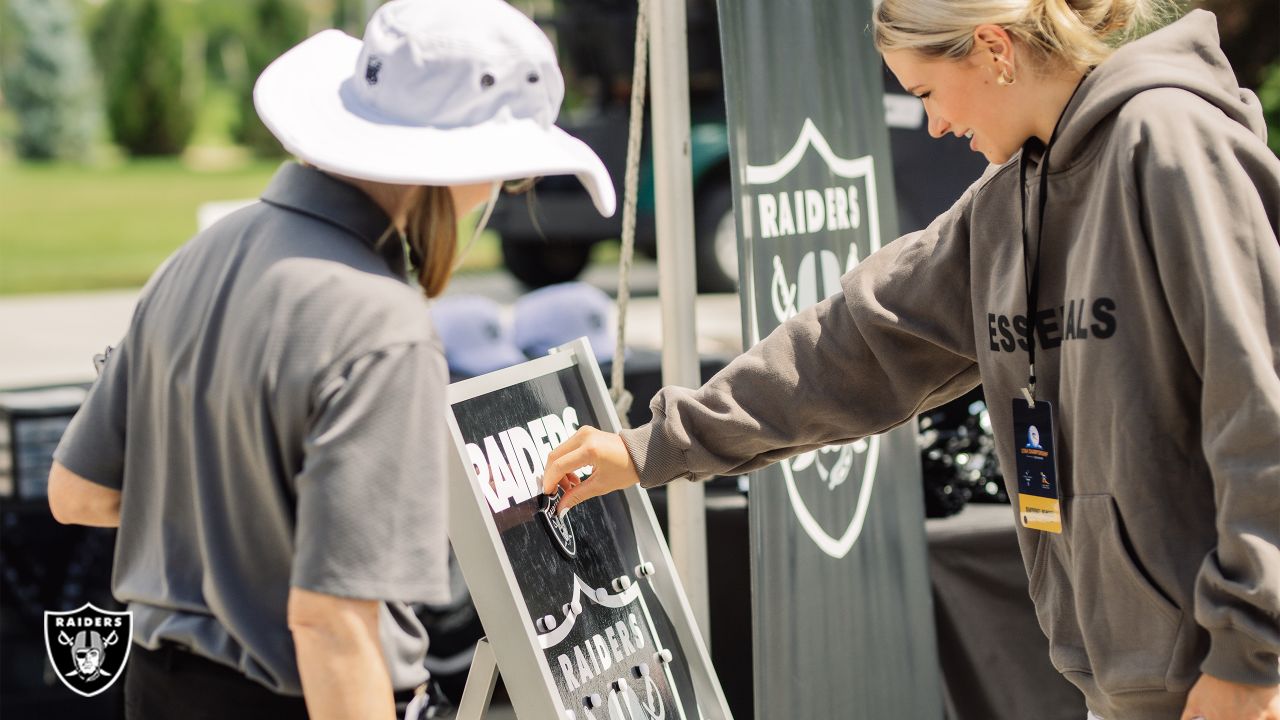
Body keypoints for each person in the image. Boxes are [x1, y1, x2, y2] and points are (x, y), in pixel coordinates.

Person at [541, 2, 1280, 719]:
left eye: (926, 92)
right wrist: (651, 447)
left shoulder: (1173, 140)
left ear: (993, 48)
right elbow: (851, 346)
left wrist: (1250, 656)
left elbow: (1262, 413)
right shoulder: (1006, 201)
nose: (934, 123)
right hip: (1131, 684)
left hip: (1235, 682)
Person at [46, 1, 614, 718]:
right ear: (467, 165)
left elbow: (79, 492)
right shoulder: (382, 324)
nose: (502, 193)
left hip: (163, 689)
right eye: (513, 172)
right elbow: (334, 625)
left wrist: (235, 525)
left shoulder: (198, 257)